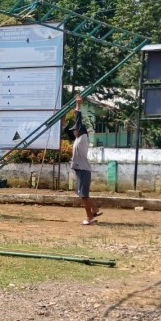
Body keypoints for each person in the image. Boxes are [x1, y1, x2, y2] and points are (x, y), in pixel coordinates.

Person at [67, 94, 102, 225]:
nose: (73, 131)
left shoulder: (83, 137)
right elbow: (67, 130)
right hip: (80, 169)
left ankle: (89, 217)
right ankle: (94, 209)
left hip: (83, 170)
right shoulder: (77, 140)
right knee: (82, 193)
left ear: (79, 130)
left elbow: (79, 120)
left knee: (83, 195)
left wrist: (78, 105)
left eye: (75, 129)